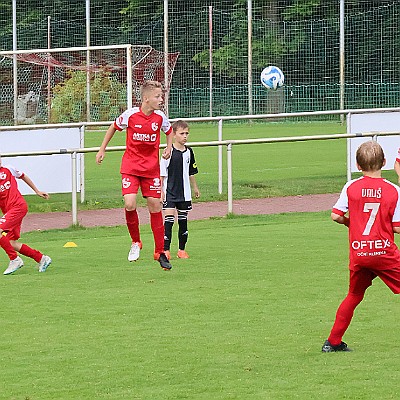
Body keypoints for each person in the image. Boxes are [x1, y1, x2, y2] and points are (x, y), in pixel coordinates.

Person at [322, 140, 400, 352]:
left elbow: (335, 215)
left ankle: (333, 342)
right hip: (384, 252)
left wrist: (351, 223)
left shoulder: (351, 186)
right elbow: (397, 228)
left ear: (358, 166)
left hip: (360, 252)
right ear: (384, 162)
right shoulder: (393, 190)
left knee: (354, 295)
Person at [96, 80, 173, 270]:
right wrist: (102, 149)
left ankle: (160, 252)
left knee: (155, 206)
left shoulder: (160, 118)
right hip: (130, 167)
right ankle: (136, 242)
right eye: (157, 96)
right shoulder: (130, 115)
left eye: (161, 96)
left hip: (151, 169)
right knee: (130, 203)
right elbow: (113, 127)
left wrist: (169, 147)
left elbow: (169, 132)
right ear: (146, 98)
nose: (161, 99)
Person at [0, 156, 52, 275]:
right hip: (9, 212)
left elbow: (23, 176)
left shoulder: (8, 169)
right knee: (10, 242)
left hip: (18, 206)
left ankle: (14, 259)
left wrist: (37, 191)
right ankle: (41, 258)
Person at [160, 120, 200, 260]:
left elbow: (191, 171)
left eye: (187, 133)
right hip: (170, 192)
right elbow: (161, 174)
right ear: (174, 134)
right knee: (169, 221)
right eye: (182, 133)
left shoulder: (189, 152)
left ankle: (181, 250)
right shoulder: (167, 152)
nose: (185, 136)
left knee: (183, 221)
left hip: (185, 194)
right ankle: (165, 250)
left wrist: (195, 187)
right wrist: (161, 191)